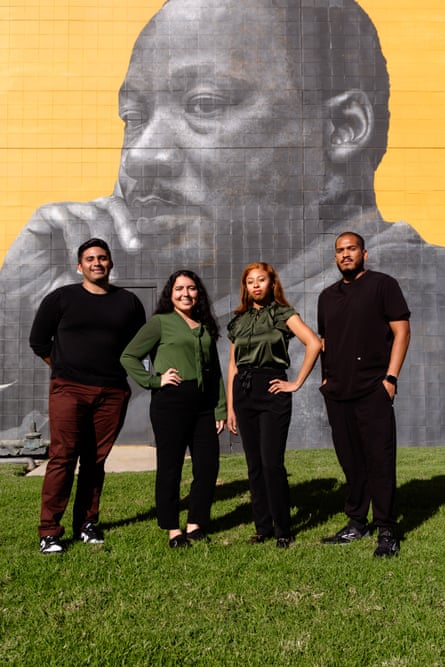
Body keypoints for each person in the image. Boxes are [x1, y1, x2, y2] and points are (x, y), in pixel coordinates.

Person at [0, 0, 443, 451]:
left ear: (342, 128)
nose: (141, 157)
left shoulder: (418, 307)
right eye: (133, 118)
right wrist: (20, 314)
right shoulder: (201, 308)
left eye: (204, 105)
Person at [29, 238, 146, 554]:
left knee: (95, 460)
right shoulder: (61, 298)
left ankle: (87, 525)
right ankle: (49, 532)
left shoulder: (129, 302)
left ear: (110, 263)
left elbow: (139, 346)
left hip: (112, 392)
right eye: (90, 258)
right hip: (69, 388)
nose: (97, 263)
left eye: (103, 258)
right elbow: (39, 342)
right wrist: (65, 370)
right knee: (63, 457)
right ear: (79, 266)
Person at [318, 232, 411, 557]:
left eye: (351, 249)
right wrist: (325, 382)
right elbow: (324, 342)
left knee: (379, 460)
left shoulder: (383, 285)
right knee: (351, 462)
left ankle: (386, 529)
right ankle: (357, 522)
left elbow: (402, 330)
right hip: (338, 392)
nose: (345, 255)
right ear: (335, 257)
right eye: (340, 251)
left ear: (364, 254)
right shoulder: (326, 296)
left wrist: (390, 378)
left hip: (373, 389)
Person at [120, 270, 226, 548]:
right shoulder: (160, 323)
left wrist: (220, 409)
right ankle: (173, 530)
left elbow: (214, 371)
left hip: (203, 404)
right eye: (179, 289)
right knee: (171, 467)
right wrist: (154, 380)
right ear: (171, 293)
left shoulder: (203, 325)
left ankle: (195, 524)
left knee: (208, 466)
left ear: (198, 293)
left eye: (191, 289)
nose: (186, 294)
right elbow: (128, 356)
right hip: (171, 403)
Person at [227, 263, 321, 548]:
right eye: (250, 281)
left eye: (261, 280)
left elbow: (313, 343)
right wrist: (231, 407)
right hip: (243, 390)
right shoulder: (238, 320)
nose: (256, 285)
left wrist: (295, 383)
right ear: (245, 287)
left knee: (271, 463)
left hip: (272, 389)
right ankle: (262, 528)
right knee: (253, 465)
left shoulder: (283, 313)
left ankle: (283, 529)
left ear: (272, 284)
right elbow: (232, 364)